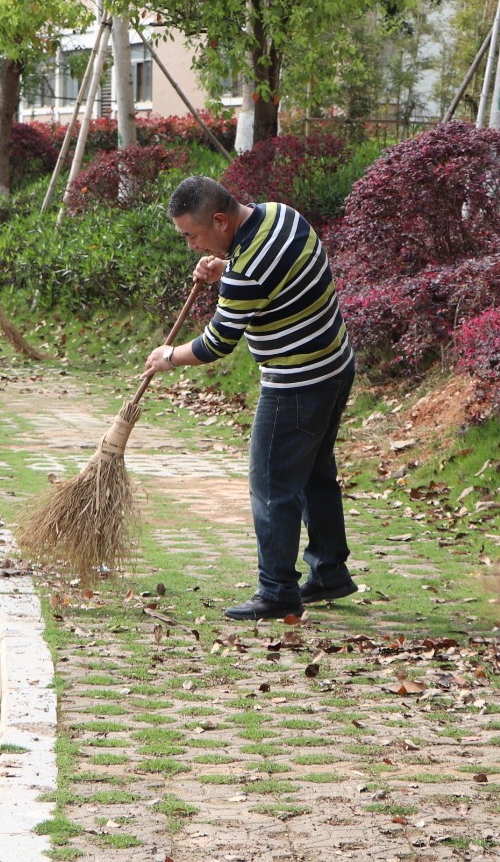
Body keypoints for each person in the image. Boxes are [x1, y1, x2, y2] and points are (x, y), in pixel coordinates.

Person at [143, 176, 357, 621]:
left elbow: (216, 343)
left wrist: (169, 356)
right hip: (335, 365)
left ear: (221, 221)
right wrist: (226, 267)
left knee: (272, 485)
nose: (191, 246)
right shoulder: (281, 214)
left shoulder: (246, 272)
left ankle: (277, 592)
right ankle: (329, 572)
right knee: (315, 475)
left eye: (192, 235)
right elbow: (273, 274)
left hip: (296, 383)